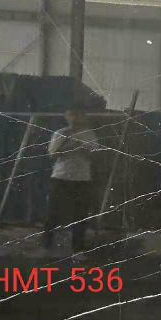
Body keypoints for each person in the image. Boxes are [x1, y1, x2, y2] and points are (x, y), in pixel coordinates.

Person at [43, 106, 100, 252]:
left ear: (83, 117)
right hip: (60, 176)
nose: (74, 118)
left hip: (82, 179)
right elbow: (52, 155)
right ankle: (46, 243)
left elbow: (94, 157)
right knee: (53, 212)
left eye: (77, 115)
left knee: (80, 215)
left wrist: (80, 145)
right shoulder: (59, 133)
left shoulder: (89, 134)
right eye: (71, 115)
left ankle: (78, 247)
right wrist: (67, 144)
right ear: (66, 116)